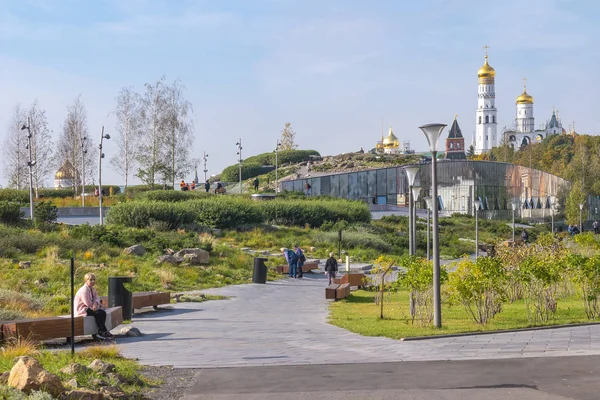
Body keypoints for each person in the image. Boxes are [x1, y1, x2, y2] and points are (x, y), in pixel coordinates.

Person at [74, 273, 113, 340]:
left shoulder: (92, 289)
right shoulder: (84, 290)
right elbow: (88, 303)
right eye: (91, 280)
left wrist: (95, 303)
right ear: (86, 281)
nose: (93, 281)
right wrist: (96, 304)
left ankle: (102, 331)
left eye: (94, 280)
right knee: (98, 313)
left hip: (90, 308)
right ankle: (103, 331)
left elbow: (97, 298)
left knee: (102, 312)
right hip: (82, 310)